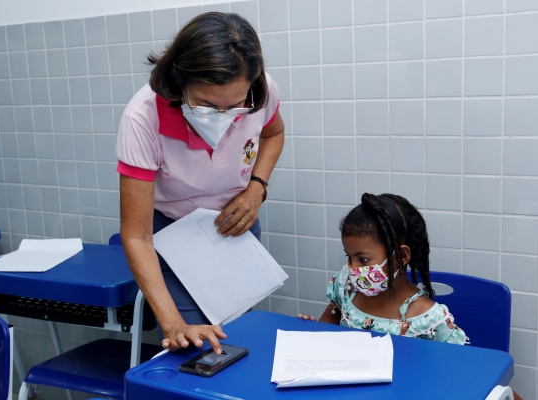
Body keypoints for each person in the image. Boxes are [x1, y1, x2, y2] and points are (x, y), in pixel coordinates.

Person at [117, 12, 284, 355]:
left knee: (240, 339)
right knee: (199, 350)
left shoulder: (260, 90)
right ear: (179, 80)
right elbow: (136, 235)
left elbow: (274, 133)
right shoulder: (142, 118)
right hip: (173, 235)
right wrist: (173, 323)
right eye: (207, 105)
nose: (222, 117)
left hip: (235, 223)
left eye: (235, 106)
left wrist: (257, 188)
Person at [299, 193, 467, 344]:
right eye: (349, 258)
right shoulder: (347, 288)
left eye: (363, 259)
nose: (352, 268)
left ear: (401, 256)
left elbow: (456, 367)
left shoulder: (427, 317)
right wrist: (310, 331)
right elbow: (324, 336)